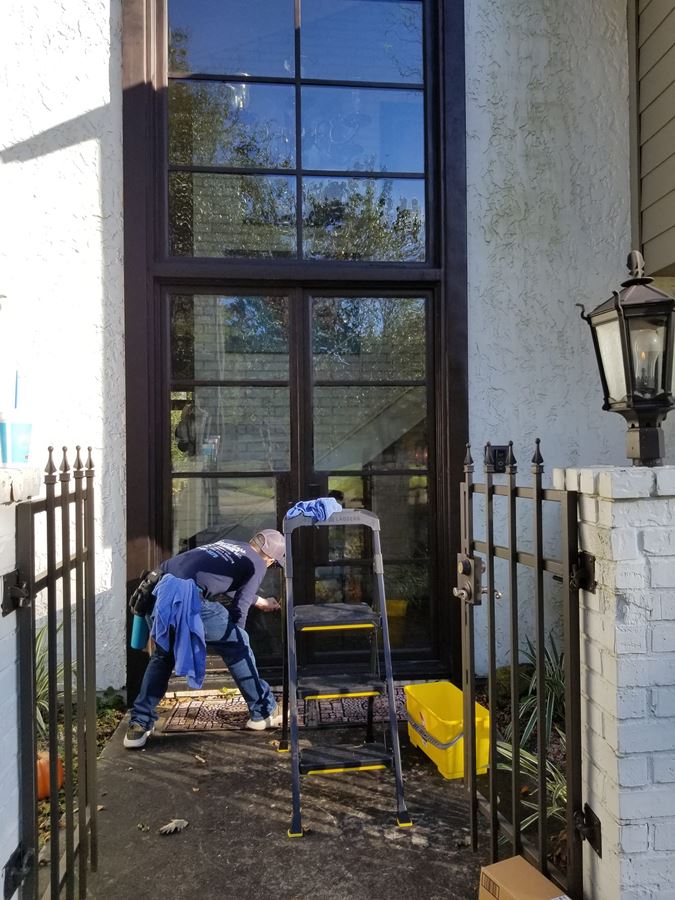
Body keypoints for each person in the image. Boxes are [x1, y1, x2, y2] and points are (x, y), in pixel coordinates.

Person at [124, 529, 286, 749]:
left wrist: (261, 601)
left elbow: (226, 583)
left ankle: (139, 725)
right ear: (270, 558)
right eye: (273, 563)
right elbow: (240, 607)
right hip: (188, 597)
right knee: (238, 646)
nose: (270, 565)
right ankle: (263, 711)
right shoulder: (257, 563)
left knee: (163, 657)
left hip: (158, 592)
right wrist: (235, 636)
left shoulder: (229, 544)